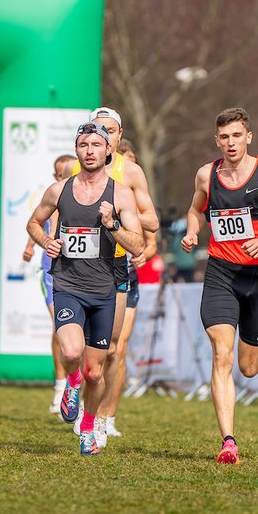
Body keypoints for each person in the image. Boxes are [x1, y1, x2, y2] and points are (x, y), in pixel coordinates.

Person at [180, 107, 258, 464]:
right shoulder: (207, 175)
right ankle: (228, 441)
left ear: (248, 137)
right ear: (216, 140)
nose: (230, 143)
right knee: (222, 353)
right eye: (224, 137)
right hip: (220, 273)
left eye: (236, 136)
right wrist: (192, 231)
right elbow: (195, 210)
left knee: (248, 367)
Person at [26, 121, 145, 455]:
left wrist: (112, 225)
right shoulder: (59, 190)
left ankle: (89, 426)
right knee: (71, 352)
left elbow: (137, 244)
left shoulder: (120, 194)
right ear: (76, 150)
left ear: (108, 150)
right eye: (83, 145)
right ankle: (71, 381)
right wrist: (46, 241)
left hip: (104, 290)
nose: (89, 151)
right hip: (67, 284)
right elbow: (33, 223)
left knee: (95, 371)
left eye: (96, 145)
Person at [64, 107, 159, 444]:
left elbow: (152, 220)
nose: (102, 135)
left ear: (118, 136)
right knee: (76, 346)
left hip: (118, 265)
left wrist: (120, 212)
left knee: (114, 348)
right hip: (79, 267)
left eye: (110, 130)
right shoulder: (76, 167)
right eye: (96, 129)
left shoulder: (130, 171)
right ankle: (77, 394)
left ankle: (103, 417)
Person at [96, 137, 157, 439]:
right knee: (95, 348)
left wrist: (146, 251)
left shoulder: (134, 196)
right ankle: (88, 404)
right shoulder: (97, 191)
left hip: (128, 273)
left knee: (118, 349)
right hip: (97, 271)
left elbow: (152, 236)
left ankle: (109, 416)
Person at [23, 153, 75, 415]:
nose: (62, 177)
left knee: (79, 332)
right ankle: (60, 386)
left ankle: (75, 387)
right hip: (51, 270)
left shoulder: (86, 196)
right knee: (60, 326)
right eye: (59, 173)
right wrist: (31, 246)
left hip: (79, 271)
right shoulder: (53, 196)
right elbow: (38, 223)